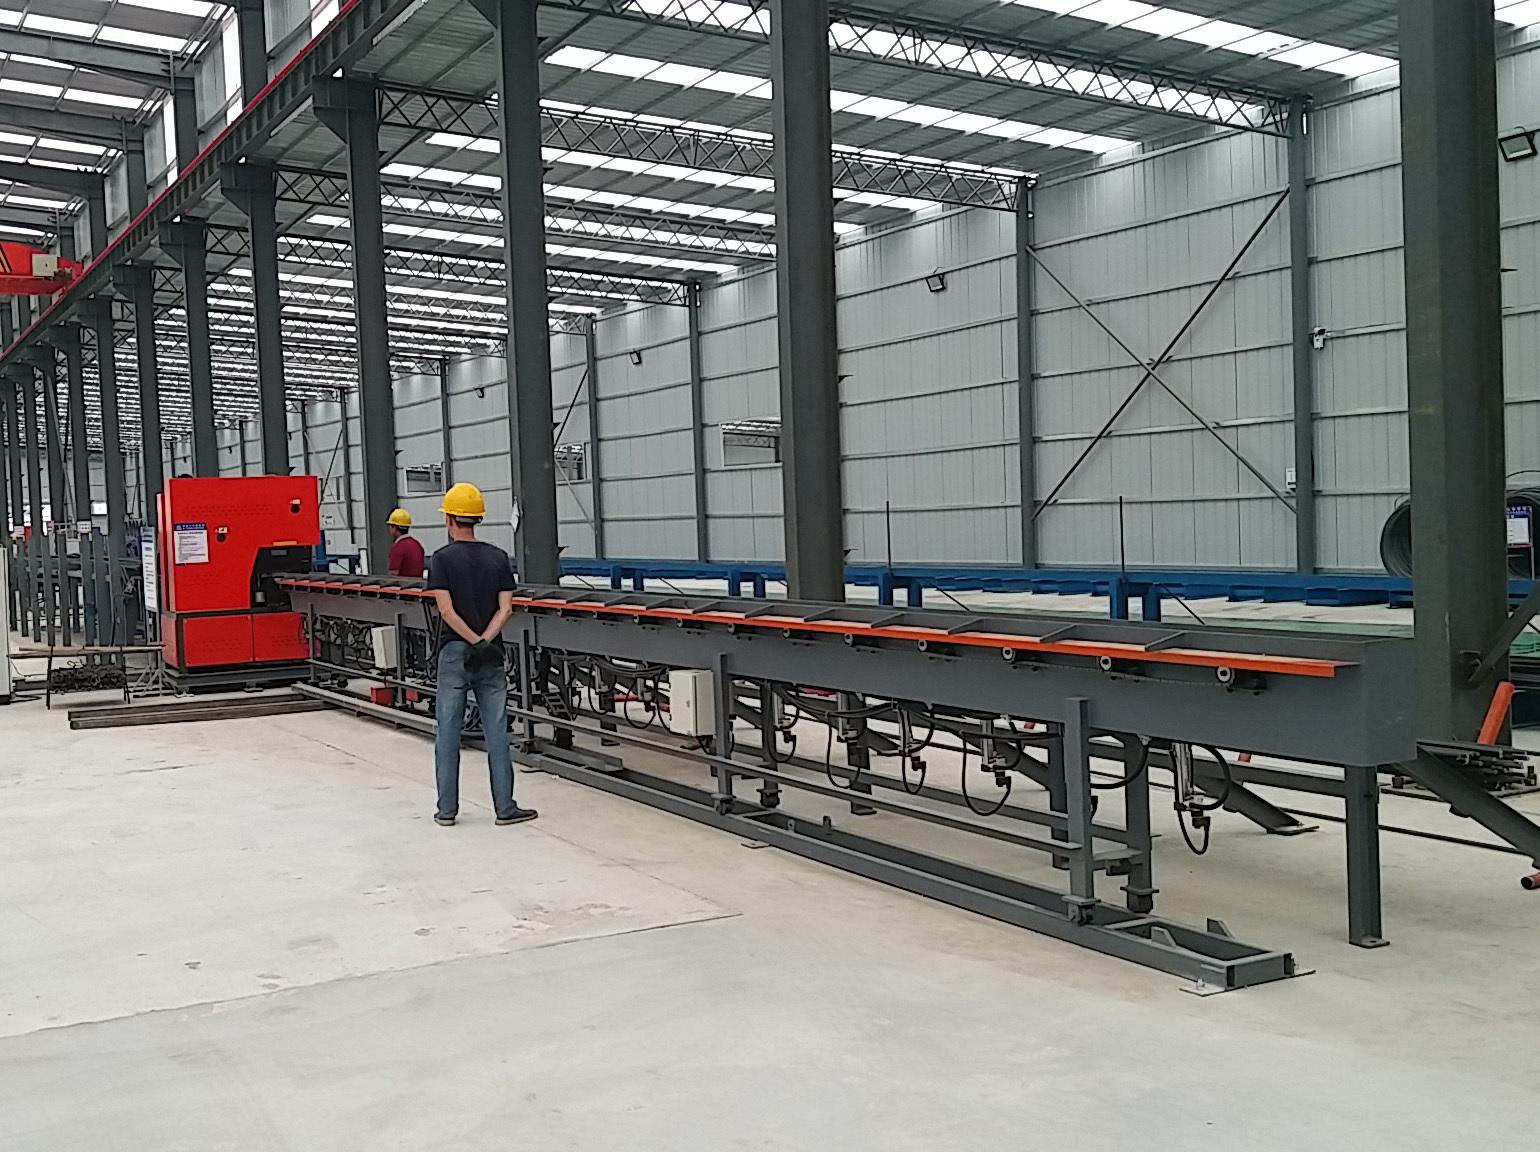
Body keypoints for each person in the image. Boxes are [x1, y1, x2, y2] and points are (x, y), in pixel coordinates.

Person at [425, 482, 537, 827]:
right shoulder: (498, 557)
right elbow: (506, 608)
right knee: (497, 731)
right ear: (477, 519)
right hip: (491, 652)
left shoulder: (441, 559)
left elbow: (446, 611)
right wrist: (485, 639)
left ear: (449, 519)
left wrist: (471, 638)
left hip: (454, 652)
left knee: (448, 731)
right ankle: (505, 807)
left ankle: (447, 810)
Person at [386, 508, 425, 577]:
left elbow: (393, 575)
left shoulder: (397, 548)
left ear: (394, 527)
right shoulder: (417, 545)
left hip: (403, 583)